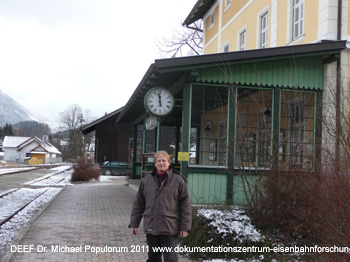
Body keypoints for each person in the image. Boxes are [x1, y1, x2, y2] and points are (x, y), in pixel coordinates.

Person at [129, 150, 192, 262]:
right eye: (158, 161)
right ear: (155, 163)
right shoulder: (146, 180)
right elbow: (138, 204)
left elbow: (185, 206)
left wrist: (185, 227)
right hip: (151, 225)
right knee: (153, 258)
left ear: (169, 163)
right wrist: (134, 223)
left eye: (164, 160)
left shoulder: (178, 180)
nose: (161, 163)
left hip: (169, 227)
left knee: (171, 259)